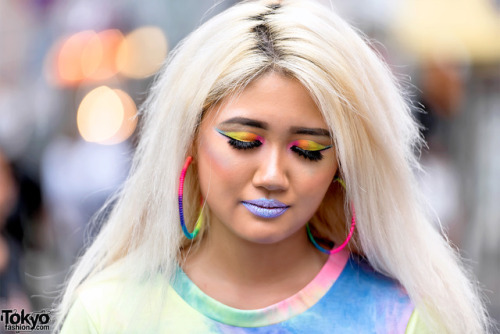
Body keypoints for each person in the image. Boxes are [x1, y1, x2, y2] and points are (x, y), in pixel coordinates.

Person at [55, 0, 490, 332]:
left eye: (308, 150)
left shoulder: (403, 319)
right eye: (244, 142)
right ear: (189, 139)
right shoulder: (107, 313)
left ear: (342, 164)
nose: (271, 177)